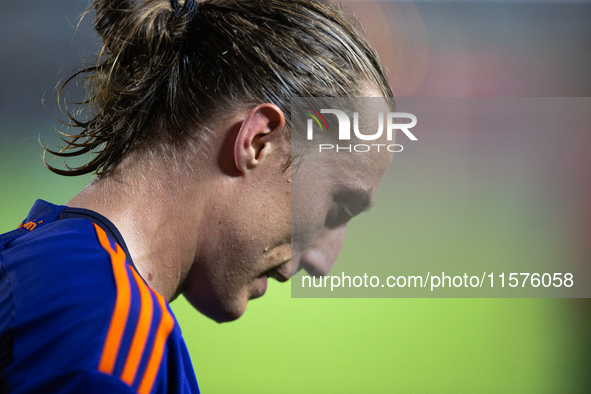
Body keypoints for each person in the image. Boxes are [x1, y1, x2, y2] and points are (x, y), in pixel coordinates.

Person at [0, 0, 394, 393]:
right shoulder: (108, 346)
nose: (324, 261)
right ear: (259, 142)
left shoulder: (37, 265)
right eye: (337, 206)